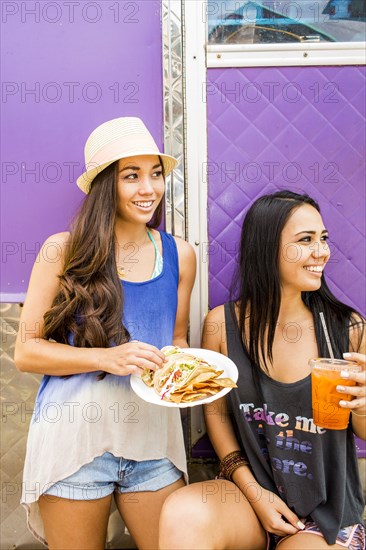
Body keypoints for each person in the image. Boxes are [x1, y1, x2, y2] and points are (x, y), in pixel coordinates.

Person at [14, 117, 196, 550]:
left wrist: (186, 370)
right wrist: (104, 357)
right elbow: (26, 352)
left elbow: (178, 340)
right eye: (131, 176)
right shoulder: (63, 249)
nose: (148, 188)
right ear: (104, 186)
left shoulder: (181, 255)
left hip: (155, 442)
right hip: (75, 441)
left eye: (155, 174)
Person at [159, 190, 366, 550]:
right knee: (183, 514)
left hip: (323, 519)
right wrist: (255, 493)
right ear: (268, 249)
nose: (322, 252)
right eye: (305, 240)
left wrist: (363, 406)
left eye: (323, 239)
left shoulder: (347, 329)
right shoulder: (221, 326)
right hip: (248, 500)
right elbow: (218, 415)